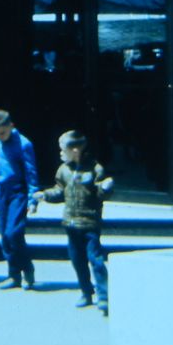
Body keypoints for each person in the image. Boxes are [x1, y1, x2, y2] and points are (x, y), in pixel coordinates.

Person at [34, 131, 114, 315]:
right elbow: (59, 190)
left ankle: (104, 297)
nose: (60, 153)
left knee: (96, 259)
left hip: (89, 222)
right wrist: (45, 195)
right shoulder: (63, 170)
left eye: (63, 149)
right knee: (77, 260)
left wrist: (106, 188)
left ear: (75, 150)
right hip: (70, 223)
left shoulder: (95, 169)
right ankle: (86, 292)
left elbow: (101, 192)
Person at [0, 109, 40, 290]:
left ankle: (27, 268)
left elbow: (31, 173)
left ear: (11, 126)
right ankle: (14, 275)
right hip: (0, 193)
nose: (0, 137)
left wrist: (32, 199)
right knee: (5, 236)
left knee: (14, 233)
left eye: (3, 133)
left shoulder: (24, 144)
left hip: (17, 192)